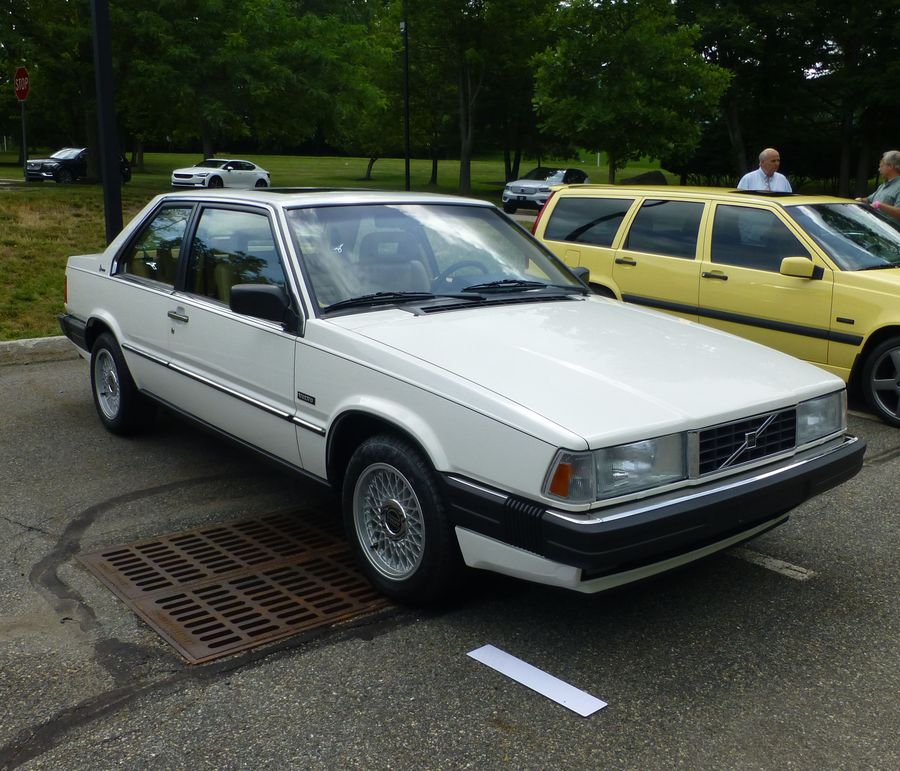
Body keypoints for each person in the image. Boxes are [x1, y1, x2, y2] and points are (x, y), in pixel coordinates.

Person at [855, 150, 900, 220]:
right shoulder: (882, 186)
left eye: (881, 166)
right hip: (877, 228)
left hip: (890, 230)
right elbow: (869, 200)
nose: (879, 169)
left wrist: (880, 205)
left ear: (890, 166)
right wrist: (861, 200)